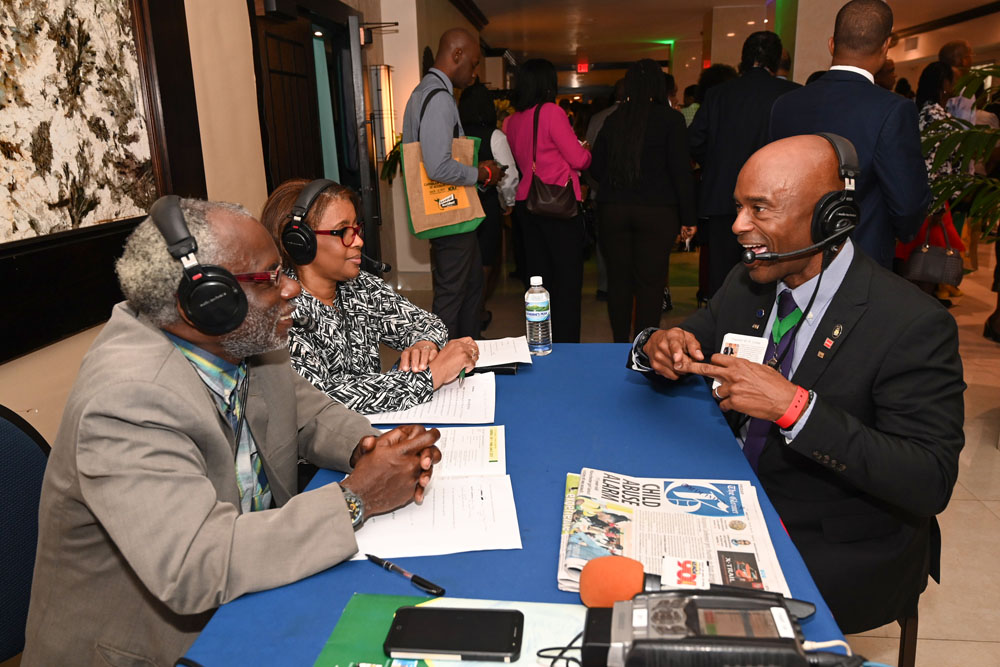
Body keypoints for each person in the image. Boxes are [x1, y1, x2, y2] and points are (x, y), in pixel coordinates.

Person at [22, 198, 443, 665]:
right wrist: (356, 497)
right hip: (162, 647)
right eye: (271, 278)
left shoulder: (243, 340)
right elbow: (196, 563)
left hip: (253, 596)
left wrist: (371, 448)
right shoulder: (127, 400)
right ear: (209, 302)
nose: (292, 288)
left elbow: (310, 414)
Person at [628, 135, 965, 634]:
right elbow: (691, 336)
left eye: (759, 208)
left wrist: (795, 409)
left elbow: (928, 480)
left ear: (830, 218)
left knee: (694, 624)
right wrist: (659, 343)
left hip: (831, 533)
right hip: (726, 489)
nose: (738, 226)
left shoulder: (912, 322)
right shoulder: (750, 279)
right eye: (738, 207)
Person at [260, 179, 479, 415]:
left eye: (357, 229)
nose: (359, 241)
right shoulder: (282, 315)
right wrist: (433, 376)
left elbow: (429, 324)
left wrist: (425, 344)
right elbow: (324, 398)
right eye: (343, 231)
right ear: (300, 242)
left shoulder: (361, 287)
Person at [770, 0, 930, 269]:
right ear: (885, 47)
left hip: (792, 255)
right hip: (860, 260)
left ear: (832, 44)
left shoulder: (785, 104)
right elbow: (907, 204)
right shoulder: (893, 110)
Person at [401, 28, 503, 340]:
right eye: (473, 63)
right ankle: (442, 359)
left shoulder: (424, 92)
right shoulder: (439, 98)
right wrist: (481, 174)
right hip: (449, 217)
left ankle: (469, 351)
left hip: (450, 215)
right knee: (452, 295)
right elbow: (438, 166)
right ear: (457, 54)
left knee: (470, 286)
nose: (474, 73)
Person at [590, 59, 696, 342]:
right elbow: (681, 172)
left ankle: (618, 344)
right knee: (651, 284)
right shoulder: (671, 120)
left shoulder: (614, 119)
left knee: (618, 282)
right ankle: (644, 347)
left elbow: (596, 168)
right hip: (657, 212)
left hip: (614, 209)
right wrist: (689, 217)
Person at [689, 31, 799, 299]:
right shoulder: (792, 94)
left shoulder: (718, 94)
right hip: (775, 201)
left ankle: (723, 324)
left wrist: (716, 166)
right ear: (776, 60)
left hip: (724, 197)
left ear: (743, 58)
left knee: (722, 278)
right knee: (771, 274)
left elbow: (694, 141)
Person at [506, 58, 592, 342]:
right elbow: (578, 159)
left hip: (527, 204)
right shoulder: (551, 112)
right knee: (566, 282)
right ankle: (568, 346)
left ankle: (542, 339)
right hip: (558, 205)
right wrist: (586, 151)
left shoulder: (511, 121)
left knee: (538, 280)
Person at [458, 82, 519, 330]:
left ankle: (466, 315)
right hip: (486, 205)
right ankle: (477, 312)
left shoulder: (455, 135)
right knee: (485, 262)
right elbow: (508, 175)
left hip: (460, 206)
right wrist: (508, 203)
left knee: (463, 262)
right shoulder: (495, 136)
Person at [939, 40, 975, 122]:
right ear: (964, 60)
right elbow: (964, 127)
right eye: (970, 56)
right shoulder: (966, 93)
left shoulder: (933, 86)